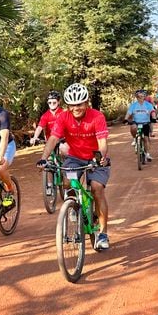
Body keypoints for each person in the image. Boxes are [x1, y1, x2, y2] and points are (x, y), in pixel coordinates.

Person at [36, 83, 112, 251]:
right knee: (67, 183)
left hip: (96, 157)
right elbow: (53, 139)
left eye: (80, 104)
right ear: (68, 105)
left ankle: (103, 233)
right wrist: (43, 158)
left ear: (87, 103)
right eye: (72, 105)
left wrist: (100, 157)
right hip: (75, 158)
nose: (76, 108)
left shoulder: (97, 116)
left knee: (97, 188)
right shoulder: (63, 117)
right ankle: (73, 205)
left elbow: (102, 142)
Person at [124, 89, 155, 161]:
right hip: (136, 122)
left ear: (144, 97)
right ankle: (135, 139)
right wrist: (125, 119)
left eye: (142, 96)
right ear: (136, 97)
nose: (140, 98)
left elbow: (152, 112)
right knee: (133, 127)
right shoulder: (133, 105)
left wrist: (153, 118)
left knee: (146, 139)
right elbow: (129, 113)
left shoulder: (148, 104)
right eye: (138, 97)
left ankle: (147, 154)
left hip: (145, 123)